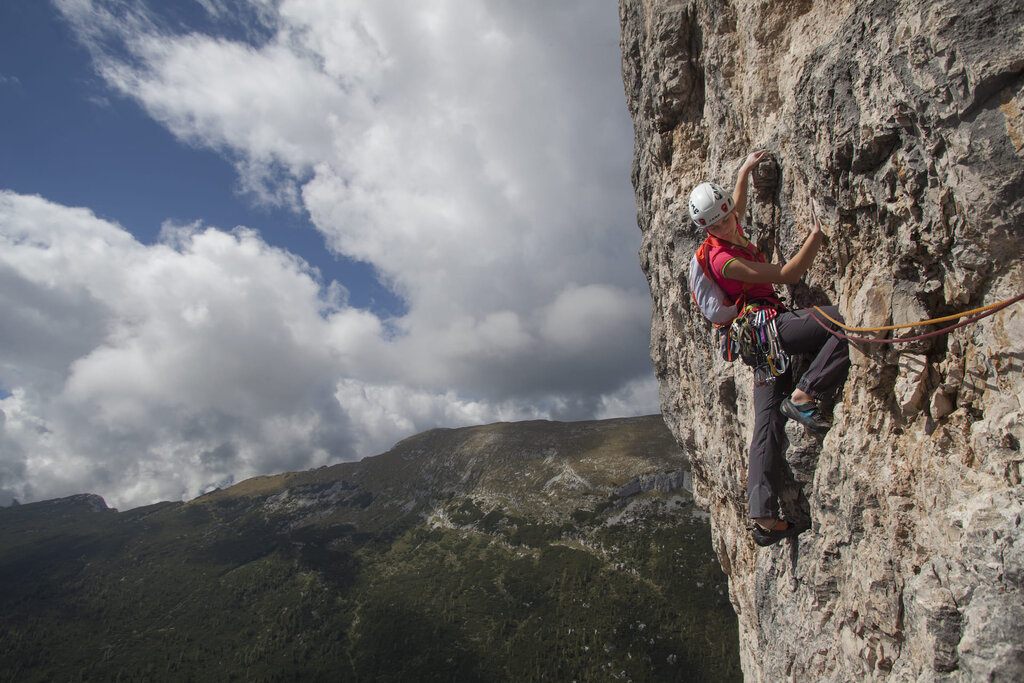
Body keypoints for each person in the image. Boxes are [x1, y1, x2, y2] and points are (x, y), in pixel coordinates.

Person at [688, 151, 851, 547]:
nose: (728, 223)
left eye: (728, 216)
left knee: (766, 423)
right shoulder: (724, 261)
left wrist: (744, 172)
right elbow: (788, 274)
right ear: (707, 229)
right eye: (719, 223)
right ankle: (806, 393)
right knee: (845, 321)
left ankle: (762, 517)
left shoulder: (725, 232)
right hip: (770, 329)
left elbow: (736, 208)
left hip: (758, 342)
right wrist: (817, 235)